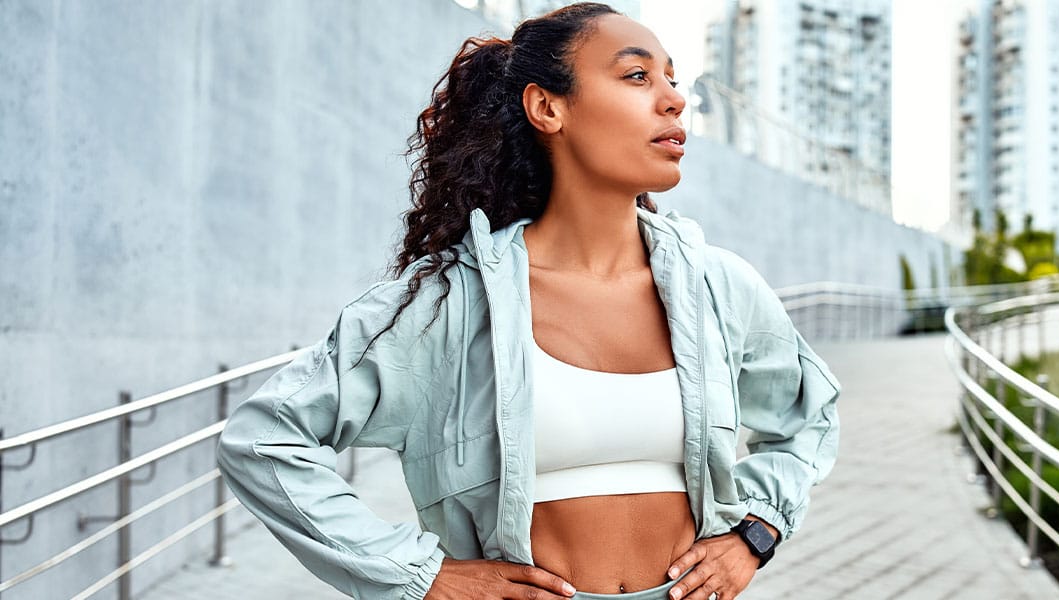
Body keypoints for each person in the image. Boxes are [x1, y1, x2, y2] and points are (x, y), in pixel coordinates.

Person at [215, 3, 840, 600]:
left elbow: (807, 420)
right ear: (547, 107)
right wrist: (419, 576)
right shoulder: (448, 302)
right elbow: (265, 439)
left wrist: (755, 535)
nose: (674, 98)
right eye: (637, 75)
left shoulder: (718, 287)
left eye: (673, 80)